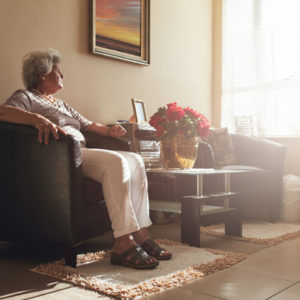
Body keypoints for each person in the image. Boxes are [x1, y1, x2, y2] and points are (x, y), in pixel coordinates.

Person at [0, 48, 171, 269]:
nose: (62, 75)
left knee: (135, 159)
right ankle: (122, 242)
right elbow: (3, 113)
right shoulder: (26, 97)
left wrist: (110, 132)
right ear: (42, 74)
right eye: (57, 71)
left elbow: (88, 124)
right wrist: (36, 120)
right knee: (116, 162)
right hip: (59, 159)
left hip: (80, 154)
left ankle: (141, 234)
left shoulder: (60, 103)